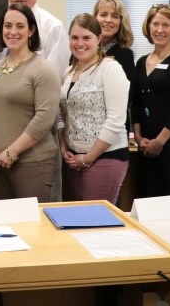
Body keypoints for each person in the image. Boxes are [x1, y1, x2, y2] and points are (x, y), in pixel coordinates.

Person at [0, 3, 61, 202]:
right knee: (4, 227)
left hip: (33, 163)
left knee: (33, 229)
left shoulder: (43, 70)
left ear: (31, 30)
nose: (12, 32)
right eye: (7, 26)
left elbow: (44, 119)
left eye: (20, 26)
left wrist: (13, 152)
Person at [57, 14, 130, 204]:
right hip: (73, 159)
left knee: (97, 223)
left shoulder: (110, 69)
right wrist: (64, 147)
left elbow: (115, 120)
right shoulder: (68, 72)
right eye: (74, 38)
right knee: (77, 223)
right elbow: (61, 114)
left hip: (105, 158)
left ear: (99, 39)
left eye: (86, 38)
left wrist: (88, 158)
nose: (80, 43)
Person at [130, 4, 170, 198]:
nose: (160, 30)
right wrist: (140, 138)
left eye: (166, 25)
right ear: (148, 27)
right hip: (146, 146)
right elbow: (136, 101)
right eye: (155, 24)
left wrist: (159, 142)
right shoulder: (141, 62)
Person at [93, 0, 136, 83]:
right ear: (95, 18)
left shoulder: (124, 54)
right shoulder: (83, 48)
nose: (108, 20)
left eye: (115, 16)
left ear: (121, 22)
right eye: (103, 15)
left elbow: (130, 93)